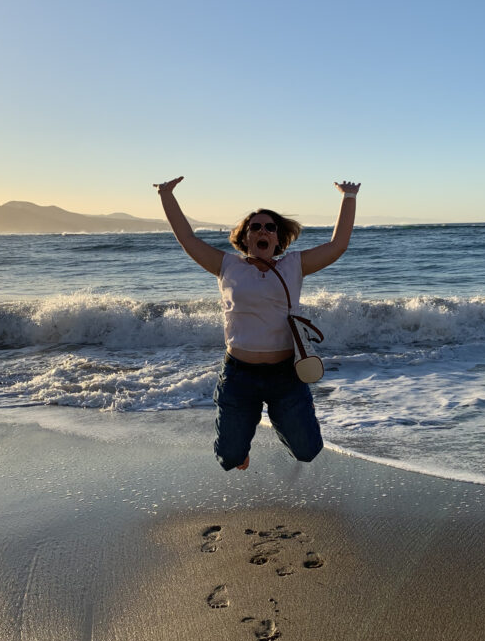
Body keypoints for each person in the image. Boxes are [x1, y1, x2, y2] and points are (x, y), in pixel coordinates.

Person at [154, 176, 361, 471]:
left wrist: (349, 197)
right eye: (256, 227)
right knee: (230, 459)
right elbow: (188, 239)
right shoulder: (226, 265)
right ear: (245, 236)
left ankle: (290, 418)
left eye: (270, 227)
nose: (263, 231)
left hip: (286, 375)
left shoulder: (294, 265)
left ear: (278, 239)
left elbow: (338, 245)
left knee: (308, 451)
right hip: (239, 376)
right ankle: (242, 448)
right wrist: (166, 195)